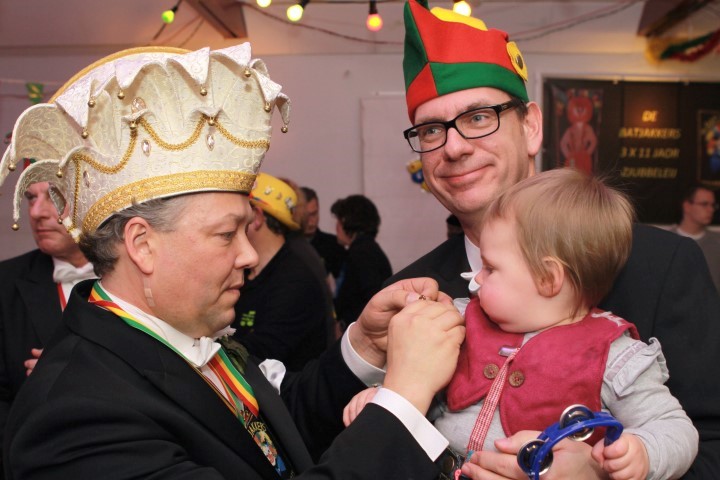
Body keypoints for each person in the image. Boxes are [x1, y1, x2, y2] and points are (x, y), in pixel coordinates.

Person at [0, 45, 465, 479]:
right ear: (142, 245)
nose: (248, 255)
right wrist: (405, 397)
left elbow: (273, 436)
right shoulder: (77, 417)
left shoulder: (183, 331)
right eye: (226, 235)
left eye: (246, 231)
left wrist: (363, 347)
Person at [388, 1, 720, 477]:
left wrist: (601, 475)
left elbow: (707, 443)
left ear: (531, 127)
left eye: (478, 117)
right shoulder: (412, 292)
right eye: (431, 130)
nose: (454, 147)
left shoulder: (662, 266)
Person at [348, 169, 698, 480]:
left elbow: (675, 428)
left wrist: (643, 453)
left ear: (547, 279)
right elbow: (418, 380)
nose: (476, 279)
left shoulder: (614, 355)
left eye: (490, 268)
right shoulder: (462, 323)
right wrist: (386, 398)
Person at [0, 179, 94, 475]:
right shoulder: (4, 283)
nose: (36, 212)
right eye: (30, 198)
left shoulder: (143, 276)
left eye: (53, 196)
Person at [233, 172, 333, 371]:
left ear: (257, 217)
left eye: (240, 214)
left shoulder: (296, 279)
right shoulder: (251, 272)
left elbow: (264, 352)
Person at [331, 194, 392, 330]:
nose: (336, 228)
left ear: (346, 221)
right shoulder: (367, 249)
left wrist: (346, 325)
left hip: (362, 332)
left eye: (338, 221)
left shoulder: (362, 254)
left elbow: (372, 298)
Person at [669, 184, 720, 293]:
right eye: (704, 204)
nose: (710, 209)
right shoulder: (666, 241)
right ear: (687, 206)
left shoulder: (717, 242)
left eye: (713, 205)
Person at [301, 186, 346, 285]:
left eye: (314, 214)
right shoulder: (285, 244)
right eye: (306, 216)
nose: (311, 222)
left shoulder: (334, 245)